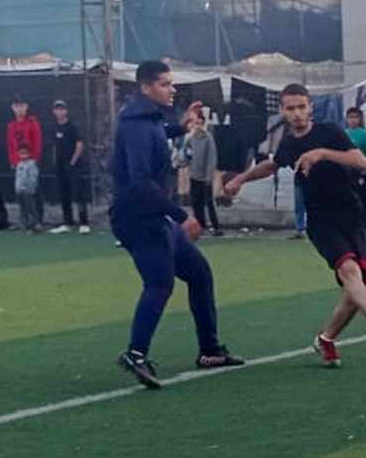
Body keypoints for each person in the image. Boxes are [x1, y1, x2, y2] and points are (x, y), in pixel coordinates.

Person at [225, 83, 366, 366]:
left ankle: (327, 338)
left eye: (301, 107)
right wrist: (239, 179)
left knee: (355, 286)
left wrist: (322, 153)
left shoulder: (329, 132)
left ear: (310, 107)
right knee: (349, 271)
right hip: (321, 221)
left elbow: (361, 161)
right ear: (282, 111)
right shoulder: (288, 142)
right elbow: (271, 165)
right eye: (290, 108)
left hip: (352, 215)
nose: (296, 113)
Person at [111, 60, 245, 387]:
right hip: (139, 218)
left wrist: (182, 126)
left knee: (199, 273)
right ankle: (136, 353)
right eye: (165, 84)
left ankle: (210, 349)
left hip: (154, 217)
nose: (172, 90)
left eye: (172, 83)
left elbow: (158, 134)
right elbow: (142, 183)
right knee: (160, 283)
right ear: (146, 87)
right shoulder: (136, 124)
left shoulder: (148, 118)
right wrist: (182, 216)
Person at [47, 98, 90, 234]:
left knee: (78, 194)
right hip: (60, 166)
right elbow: (54, 146)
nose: (59, 111)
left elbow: (79, 145)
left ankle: (84, 223)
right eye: (57, 109)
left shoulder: (72, 127)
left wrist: (72, 162)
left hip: (73, 165)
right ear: (54, 111)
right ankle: (68, 223)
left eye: (62, 109)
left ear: (66, 111)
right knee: (63, 194)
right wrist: (55, 162)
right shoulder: (54, 127)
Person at [5, 98, 44, 232]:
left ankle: (38, 221)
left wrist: (35, 159)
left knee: (33, 192)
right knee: (21, 195)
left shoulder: (32, 123)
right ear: (12, 108)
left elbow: (38, 141)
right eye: (16, 106)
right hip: (18, 164)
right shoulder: (11, 125)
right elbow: (10, 145)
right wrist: (13, 161)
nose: (19, 109)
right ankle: (25, 222)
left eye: (21, 106)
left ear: (26, 107)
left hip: (31, 163)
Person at [184, 104, 222, 235]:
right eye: (196, 123)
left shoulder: (208, 139)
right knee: (196, 203)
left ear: (204, 124)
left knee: (209, 203)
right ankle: (200, 226)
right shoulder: (191, 138)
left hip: (205, 177)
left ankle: (216, 227)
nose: (198, 126)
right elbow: (187, 153)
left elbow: (211, 159)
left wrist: (208, 176)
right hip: (194, 175)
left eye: (200, 123)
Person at [345, 104, 366, 225]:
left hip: (360, 172)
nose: (353, 120)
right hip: (347, 173)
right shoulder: (343, 134)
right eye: (351, 117)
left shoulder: (364, 135)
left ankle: (364, 224)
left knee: (362, 199)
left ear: (360, 119)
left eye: (356, 117)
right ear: (347, 118)